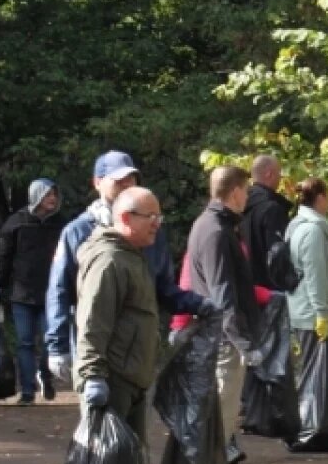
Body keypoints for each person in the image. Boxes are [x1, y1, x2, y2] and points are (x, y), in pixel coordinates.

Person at [46, 150, 210, 383]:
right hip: (96, 345)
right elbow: (59, 291)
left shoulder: (152, 230)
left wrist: (199, 304)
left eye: (131, 179)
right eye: (118, 180)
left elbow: (162, 287)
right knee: (100, 414)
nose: (126, 185)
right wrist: (57, 346)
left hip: (138, 348)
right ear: (98, 183)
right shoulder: (78, 232)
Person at [72, 186, 164, 464]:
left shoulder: (132, 257)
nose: (158, 225)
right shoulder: (109, 261)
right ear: (125, 218)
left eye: (160, 217)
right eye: (150, 217)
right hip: (113, 382)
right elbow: (92, 325)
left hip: (132, 379)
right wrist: (93, 376)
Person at [183, 166, 265, 464]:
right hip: (224, 337)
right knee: (222, 415)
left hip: (215, 332)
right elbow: (222, 293)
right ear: (234, 193)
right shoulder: (216, 230)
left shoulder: (210, 225)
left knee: (219, 413)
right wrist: (241, 340)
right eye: (245, 190)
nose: (247, 196)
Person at [0, 179, 64, 405]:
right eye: (48, 194)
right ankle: (27, 392)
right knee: (25, 343)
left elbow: (71, 260)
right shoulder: (16, 223)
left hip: (52, 295)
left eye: (55, 194)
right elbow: (4, 259)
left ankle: (45, 374)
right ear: (37, 196)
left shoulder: (61, 225)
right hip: (22, 294)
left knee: (51, 341)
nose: (53, 199)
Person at [284, 177, 328, 448]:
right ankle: (312, 428)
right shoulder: (314, 231)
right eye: (327, 195)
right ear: (319, 197)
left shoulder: (298, 226)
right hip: (312, 312)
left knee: (312, 371)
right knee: (316, 373)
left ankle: (315, 426)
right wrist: (323, 312)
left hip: (301, 308)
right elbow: (315, 275)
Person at [241, 154, 295, 290]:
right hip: (272, 291)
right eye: (278, 173)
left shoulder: (240, 208)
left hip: (249, 289)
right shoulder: (272, 209)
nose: (280, 177)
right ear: (269, 174)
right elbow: (279, 255)